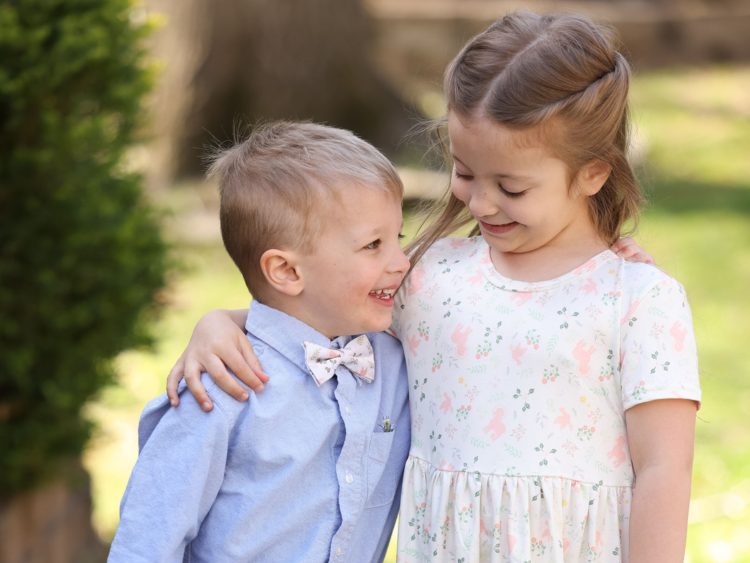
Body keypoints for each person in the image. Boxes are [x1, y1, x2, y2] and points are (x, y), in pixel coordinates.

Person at [167, 11, 700, 562]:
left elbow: (664, 467)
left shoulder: (640, 300)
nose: (481, 203)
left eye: (511, 188)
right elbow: (315, 314)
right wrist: (221, 323)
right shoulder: (430, 275)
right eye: (465, 172)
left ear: (593, 173)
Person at [108, 122, 413, 563]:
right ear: (287, 272)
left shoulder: (394, 362)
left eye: (398, 238)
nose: (401, 262)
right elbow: (147, 540)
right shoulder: (220, 385)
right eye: (373, 245)